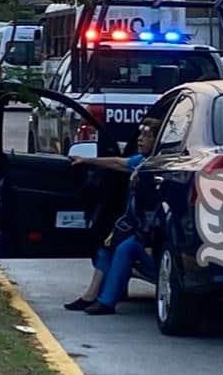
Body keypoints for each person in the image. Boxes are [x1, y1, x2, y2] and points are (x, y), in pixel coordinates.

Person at [63, 118, 162, 315]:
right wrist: (88, 160)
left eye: (147, 136)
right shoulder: (141, 163)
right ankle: (92, 296)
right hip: (137, 228)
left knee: (124, 247)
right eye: (141, 135)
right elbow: (118, 162)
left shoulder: (157, 167)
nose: (141, 140)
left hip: (151, 237)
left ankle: (106, 301)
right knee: (109, 245)